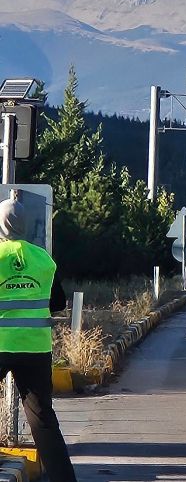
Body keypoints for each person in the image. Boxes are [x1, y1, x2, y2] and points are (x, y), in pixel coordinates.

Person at [0, 195, 76, 481]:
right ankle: (63, 478)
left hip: (1, 344)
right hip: (35, 348)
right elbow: (58, 301)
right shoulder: (43, 258)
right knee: (42, 418)